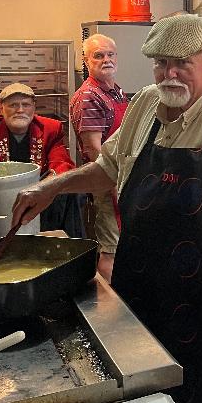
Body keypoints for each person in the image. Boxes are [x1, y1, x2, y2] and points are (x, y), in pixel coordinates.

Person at [10, 14, 202, 403]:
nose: (169, 74)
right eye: (161, 63)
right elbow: (107, 168)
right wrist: (51, 188)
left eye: (182, 63)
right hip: (140, 291)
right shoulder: (146, 104)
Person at [0, 83, 82, 234]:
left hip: (40, 191)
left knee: (69, 190)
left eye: (26, 105)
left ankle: (68, 242)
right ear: (1, 108)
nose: (20, 110)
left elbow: (61, 163)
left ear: (34, 108)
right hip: (2, 192)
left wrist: (44, 187)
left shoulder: (51, 128)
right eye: (13, 105)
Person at [70, 33, 128, 282]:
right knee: (111, 248)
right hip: (107, 180)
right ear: (87, 61)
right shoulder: (88, 96)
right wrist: (114, 182)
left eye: (110, 54)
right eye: (99, 55)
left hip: (121, 177)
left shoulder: (115, 91)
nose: (107, 60)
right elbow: (93, 148)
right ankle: (112, 302)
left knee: (122, 243)